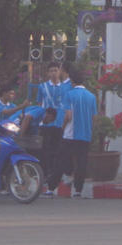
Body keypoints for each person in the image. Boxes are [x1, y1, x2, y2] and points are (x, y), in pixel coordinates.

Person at [45, 64, 96, 198]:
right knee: (81, 163)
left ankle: (51, 188)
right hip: (85, 134)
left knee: (60, 161)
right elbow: (93, 117)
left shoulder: (69, 95)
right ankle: (78, 191)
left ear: (72, 81)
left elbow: (68, 115)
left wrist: (62, 128)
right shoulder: (91, 97)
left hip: (70, 134)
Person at [36, 61, 71, 181]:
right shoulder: (43, 87)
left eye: (56, 70)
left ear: (60, 72)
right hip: (46, 123)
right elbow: (39, 104)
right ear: (48, 73)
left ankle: (56, 174)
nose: (54, 73)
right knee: (45, 149)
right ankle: (45, 173)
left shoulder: (64, 87)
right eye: (51, 71)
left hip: (60, 122)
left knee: (58, 149)